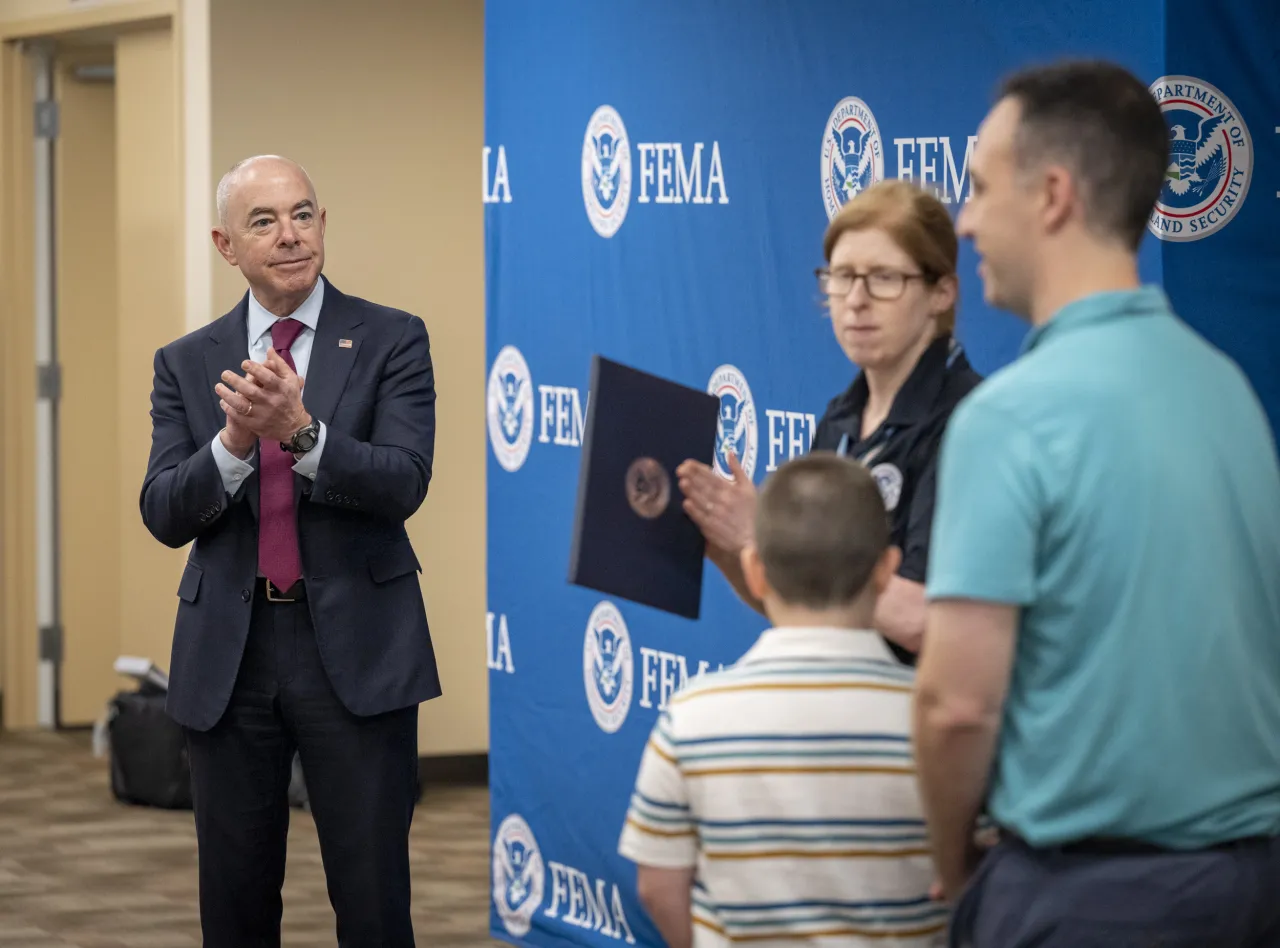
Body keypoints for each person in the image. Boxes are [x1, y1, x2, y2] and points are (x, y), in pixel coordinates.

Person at [913, 59, 1280, 947]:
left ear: (1052, 195)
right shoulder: (1229, 389)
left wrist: (955, 862)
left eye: (977, 188)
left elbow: (957, 705)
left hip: (1090, 902)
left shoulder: (1009, 416)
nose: (963, 222)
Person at [139, 154, 441, 947]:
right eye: (264, 222)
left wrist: (302, 435)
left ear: (324, 226)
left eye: (303, 214)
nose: (289, 236)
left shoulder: (391, 339)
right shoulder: (187, 361)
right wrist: (235, 443)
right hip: (229, 656)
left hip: (357, 647)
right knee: (235, 904)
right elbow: (164, 511)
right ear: (225, 245)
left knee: (373, 900)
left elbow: (405, 481)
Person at [617, 452, 948, 948]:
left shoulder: (689, 718)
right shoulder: (939, 727)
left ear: (755, 570)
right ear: (886, 573)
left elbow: (658, 886)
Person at [678, 179, 982, 664]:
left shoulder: (972, 422)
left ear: (941, 292)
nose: (856, 300)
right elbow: (805, 611)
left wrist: (764, 539)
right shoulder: (841, 418)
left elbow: (930, 621)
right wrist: (731, 552)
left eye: (884, 278)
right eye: (842, 277)